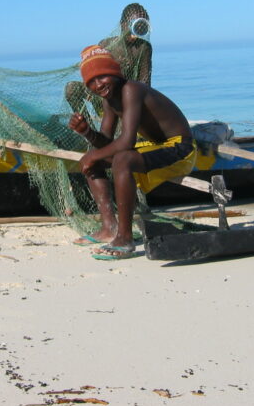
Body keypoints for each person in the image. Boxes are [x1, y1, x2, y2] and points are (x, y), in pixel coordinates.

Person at [68, 45, 196, 260]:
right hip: (157, 146)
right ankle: (109, 227)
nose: (98, 85)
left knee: (122, 159)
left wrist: (92, 155)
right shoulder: (109, 100)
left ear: (115, 73)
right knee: (97, 161)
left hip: (180, 148)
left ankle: (125, 238)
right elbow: (106, 142)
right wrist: (87, 133)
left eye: (102, 77)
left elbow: (127, 141)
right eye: (92, 82)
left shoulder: (131, 90)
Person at [65, 3, 152, 118]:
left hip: (125, 102)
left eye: (140, 28)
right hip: (102, 97)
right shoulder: (106, 44)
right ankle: (88, 128)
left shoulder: (144, 48)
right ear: (123, 25)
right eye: (133, 26)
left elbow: (144, 84)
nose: (134, 34)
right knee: (71, 88)